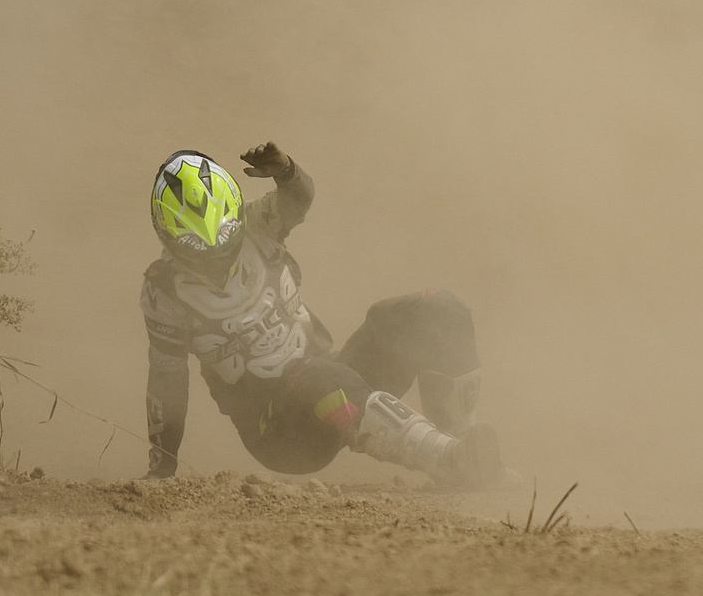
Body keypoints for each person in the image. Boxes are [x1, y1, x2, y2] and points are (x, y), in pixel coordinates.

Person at [138, 142, 505, 487]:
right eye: (198, 247)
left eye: (225, 234)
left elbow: (299, 199)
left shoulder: (257, 223)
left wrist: (286, 171)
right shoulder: (165, 291)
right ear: (168, 237)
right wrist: (162, 468)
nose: (218, 253)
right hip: (279, 433)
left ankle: (464, 454)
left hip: (331, 375)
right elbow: (167, 385)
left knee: (437, 309)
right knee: (317, 377)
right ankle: (449, 458)